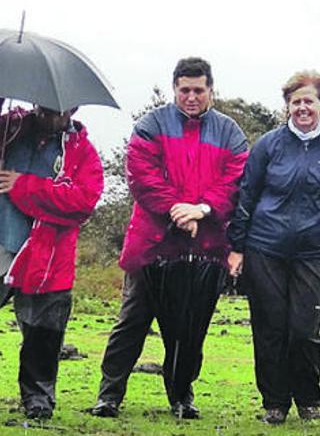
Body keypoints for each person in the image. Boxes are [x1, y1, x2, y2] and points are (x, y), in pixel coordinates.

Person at [89, 57, 248, 419]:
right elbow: (142, 177)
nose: (191, 97)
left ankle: (181, 395)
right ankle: (109, 394)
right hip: (152, 245)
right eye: (184, 90)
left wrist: (202, 210)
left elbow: (235, 181)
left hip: (204, 248)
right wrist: (178, 210)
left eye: (199, 90)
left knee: (191, 328)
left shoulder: (231, 133)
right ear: (175, 88)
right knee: (133, 319)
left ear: (211, 90)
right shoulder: (150, 125)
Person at [0, 97, 104, 419]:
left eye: (57, 111)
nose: (48, 115)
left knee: (44, 329)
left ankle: (38, 399)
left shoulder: (83, 151)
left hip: (49, 251)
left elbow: (82, 201)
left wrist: (22, 185)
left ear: (74, 110)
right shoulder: (9, 129)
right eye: (43, 107)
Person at [226, 70, 320, 425]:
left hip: (312, 252)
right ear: (287, 107)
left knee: (304, 329)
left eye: (309, 101)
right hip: (264, 247)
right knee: (270, 327)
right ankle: (275, 402)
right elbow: (246, 196)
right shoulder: (268, 146)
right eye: (295, 101)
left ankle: (308, 399)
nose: (302, 107)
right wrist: (237, 247)